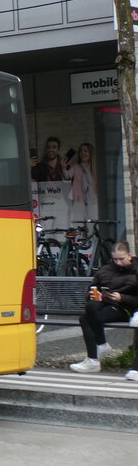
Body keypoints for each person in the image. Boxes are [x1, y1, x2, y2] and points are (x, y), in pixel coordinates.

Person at [69, 241, 138, 373]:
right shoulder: (106, 270)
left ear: (129, 255)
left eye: (121, 259)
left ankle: (94, 358)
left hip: (127, 309)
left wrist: (122, 298)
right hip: (107, 304)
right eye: (115, 259)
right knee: (90, 307)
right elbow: (91, 289)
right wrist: (95, 294)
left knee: (85, 319)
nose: (118, 262)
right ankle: (100, 348)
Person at [66, 142, 98, 223]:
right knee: (78, 224)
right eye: (81, 151)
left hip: (93, 201)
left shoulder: (95, 168)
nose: (82, 153)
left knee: (92, 225)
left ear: (90, 153)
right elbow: (67, 176)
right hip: (78, 199)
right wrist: (63, 166)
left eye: (85, 151)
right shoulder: (76, 167)